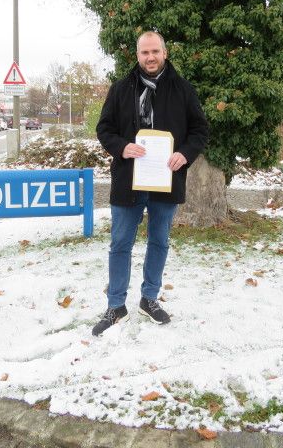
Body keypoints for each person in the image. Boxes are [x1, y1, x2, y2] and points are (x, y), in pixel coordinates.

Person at [93, 31, 209, 337]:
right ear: (137, 55)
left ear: (165, 53)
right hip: (128, 181)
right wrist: (121, 147)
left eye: (155, 51)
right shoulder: (120, 89)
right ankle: (116, 305)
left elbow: (200, 130)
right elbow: (103, 128)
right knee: (120, 244)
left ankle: (149, 298)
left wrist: (184, 154)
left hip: (165, 181)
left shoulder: (183, 90)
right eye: (144, 52)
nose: (150, 57)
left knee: (159, 242)